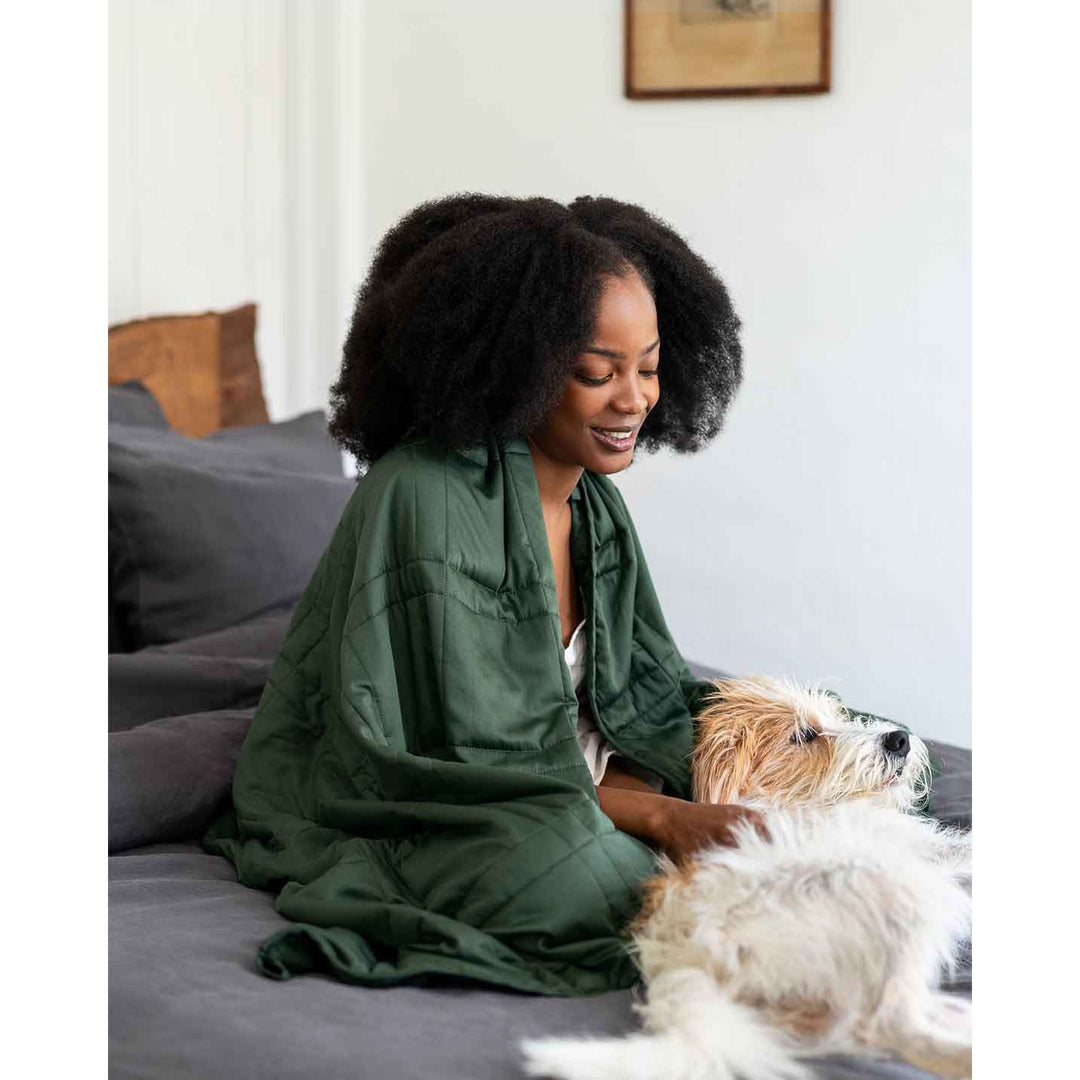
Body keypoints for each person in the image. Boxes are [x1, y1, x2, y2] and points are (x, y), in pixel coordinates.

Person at [207, 193, 762, 996]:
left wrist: (659, 787)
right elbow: (453, 762)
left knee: (846, 760)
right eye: (597, 373)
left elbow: (640, 695)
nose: (635, 399)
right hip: (465, 804)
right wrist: (666, 820)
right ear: (517, 362)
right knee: (583, 884)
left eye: (648, 367)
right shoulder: (422, 496)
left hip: (580, 787)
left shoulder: (596, 506)